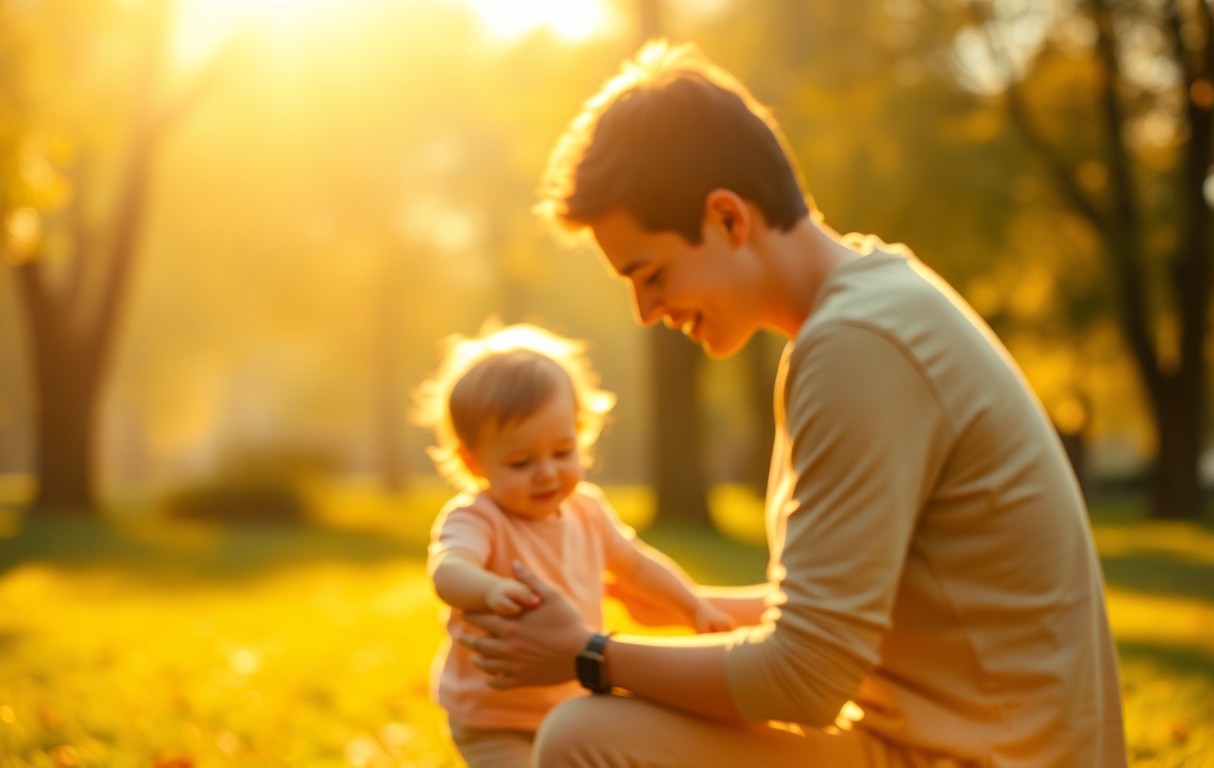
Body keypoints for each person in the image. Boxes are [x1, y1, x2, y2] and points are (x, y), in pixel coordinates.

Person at [459, 42, 1128, 767]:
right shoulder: (868, 310)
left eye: (650, 273)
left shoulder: (859, 348)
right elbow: (830, 616)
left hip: (974, 758)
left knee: (582, 736)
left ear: (727, 219)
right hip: (941, 742)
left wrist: (588, 654)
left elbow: (805, 676)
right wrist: (672, 605)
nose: (646, 310)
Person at [413, 322, 733, 768]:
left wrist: (690, 603)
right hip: (493, 717)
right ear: (474, 460)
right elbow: (448, 569)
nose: (546, 472)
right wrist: (488, 589)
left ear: (580, 434)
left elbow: (636, 566)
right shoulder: (478, 518)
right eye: (521, 462)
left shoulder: (587, 510)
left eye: (562, 452)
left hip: (573, 703)